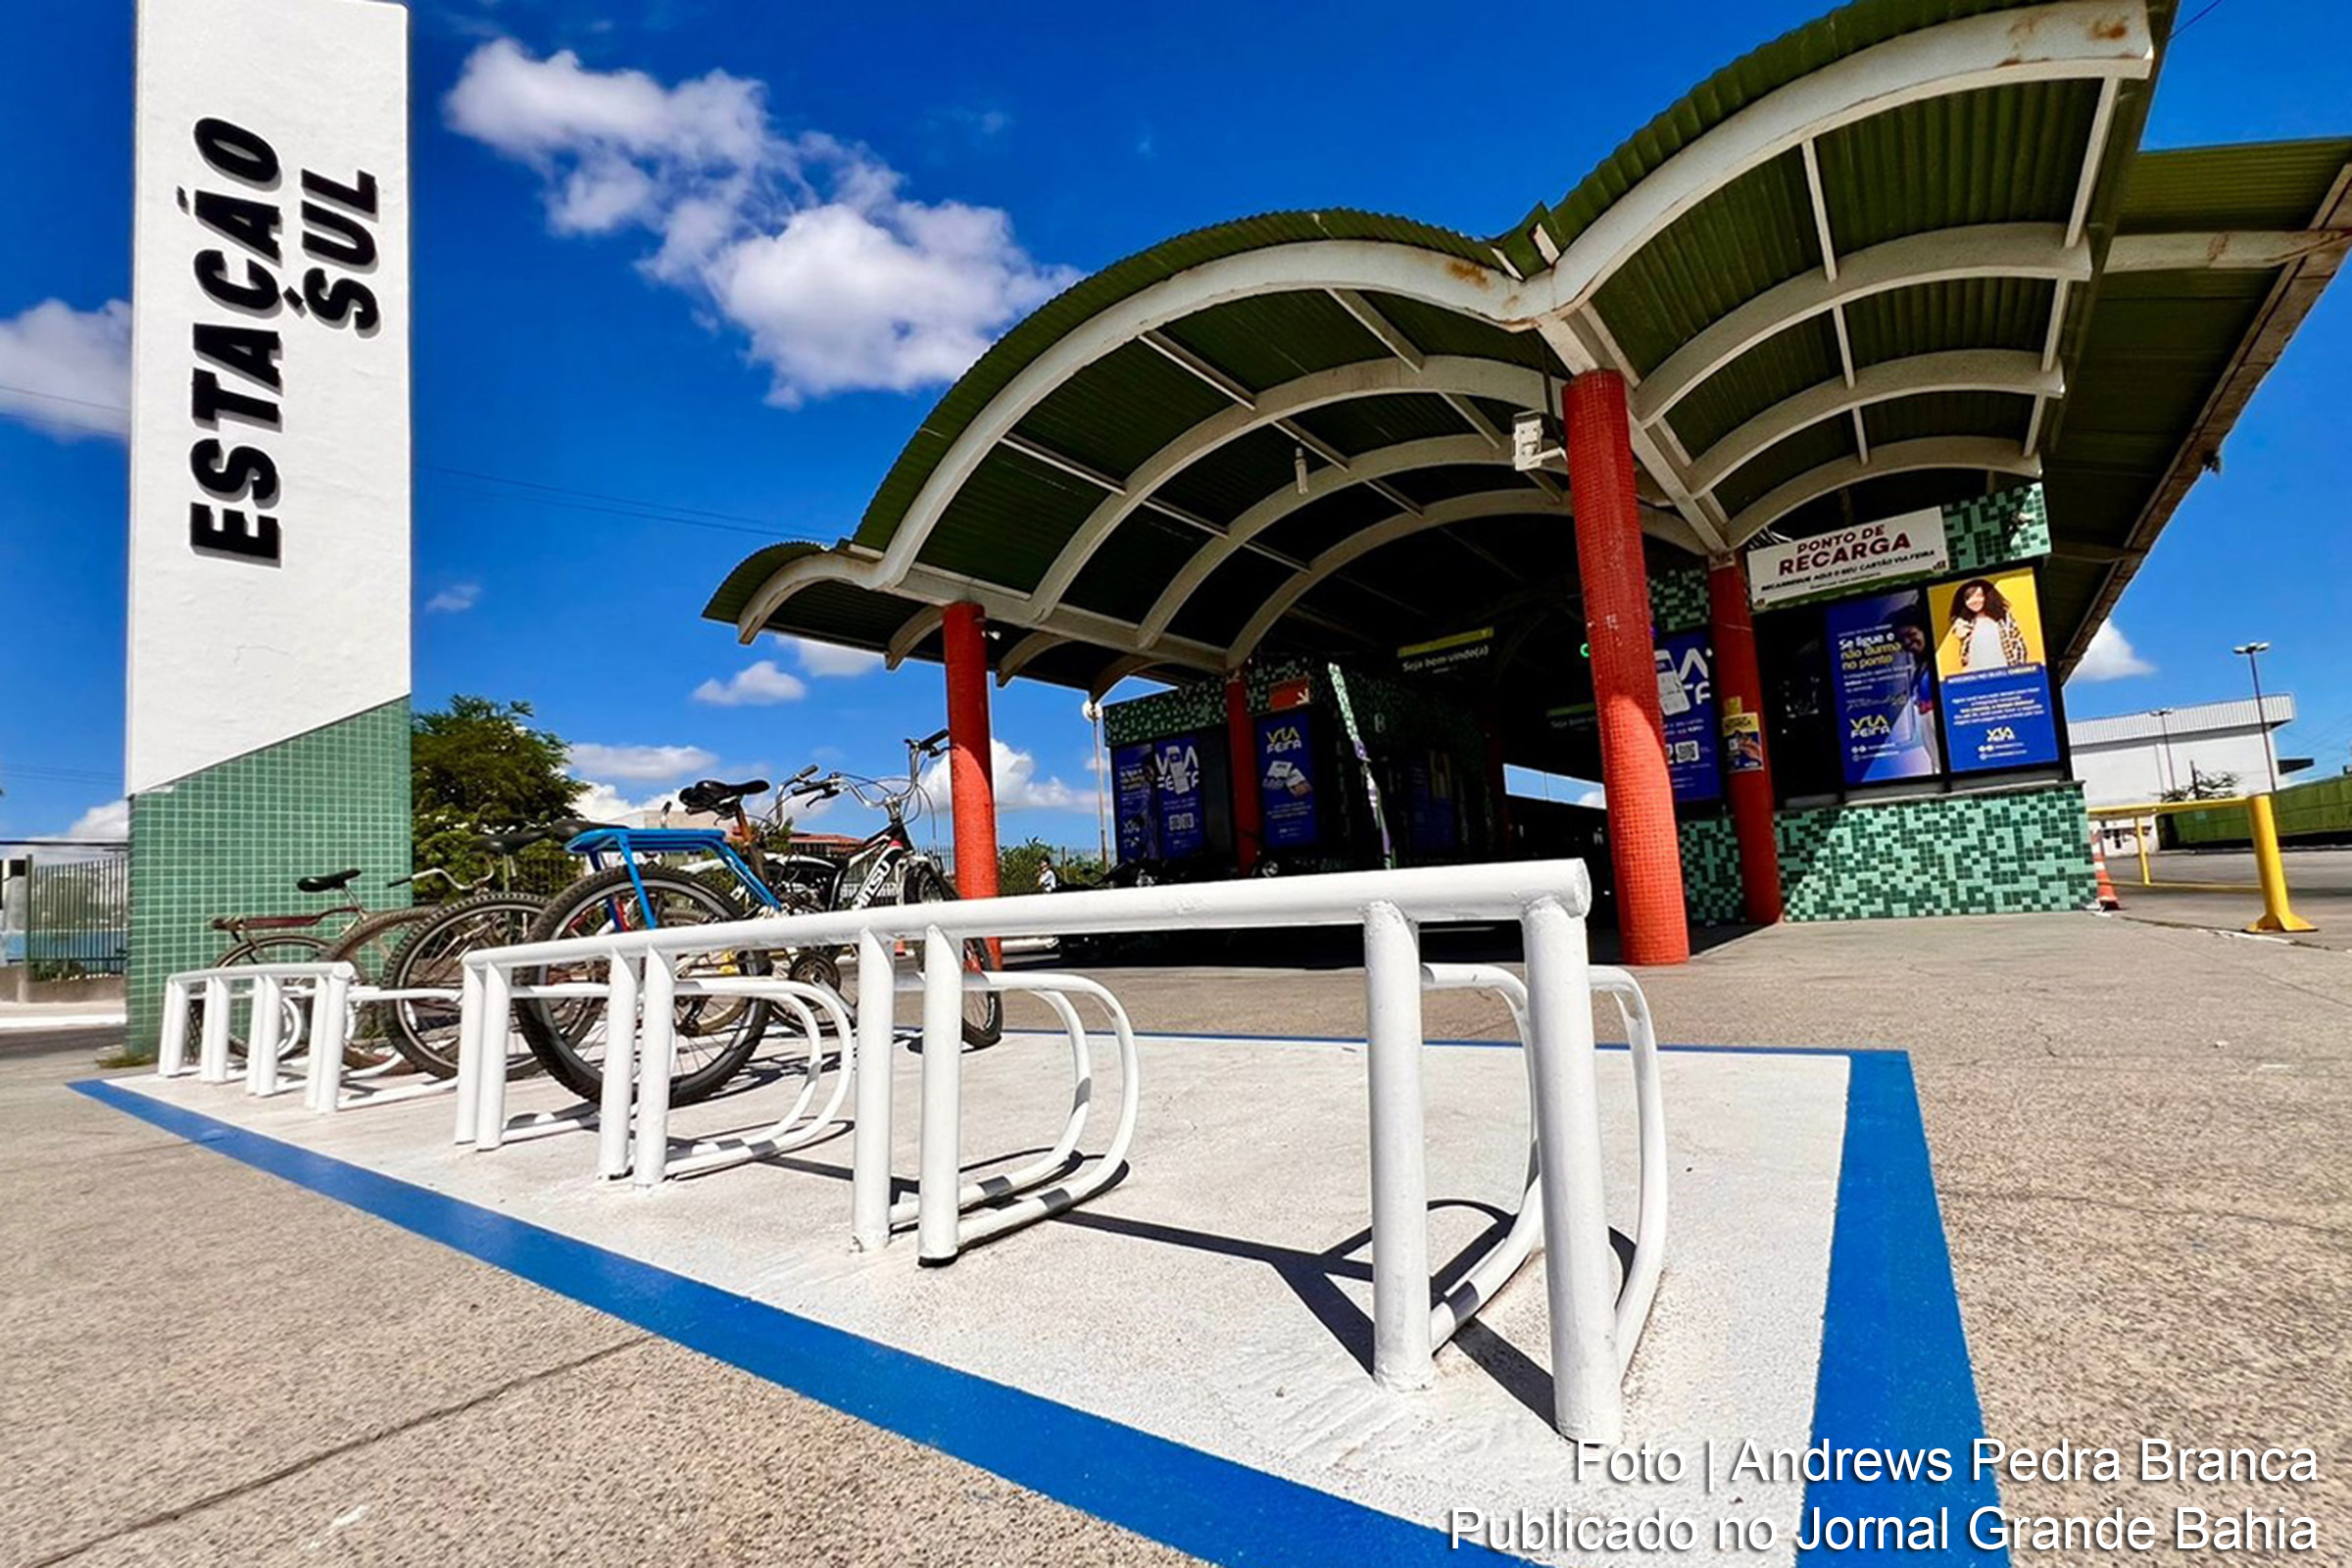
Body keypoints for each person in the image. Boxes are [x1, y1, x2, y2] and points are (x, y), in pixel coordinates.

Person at [1946, 578, 2031, 669]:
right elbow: (1964, 649)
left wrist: (2019, 669)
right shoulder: (1964, 622)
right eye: (1968, 598)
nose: (1974, 600)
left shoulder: (2003, 617)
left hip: (2004, 671)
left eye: (1979, 595)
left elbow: (2018, 643)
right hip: (1977, 675)